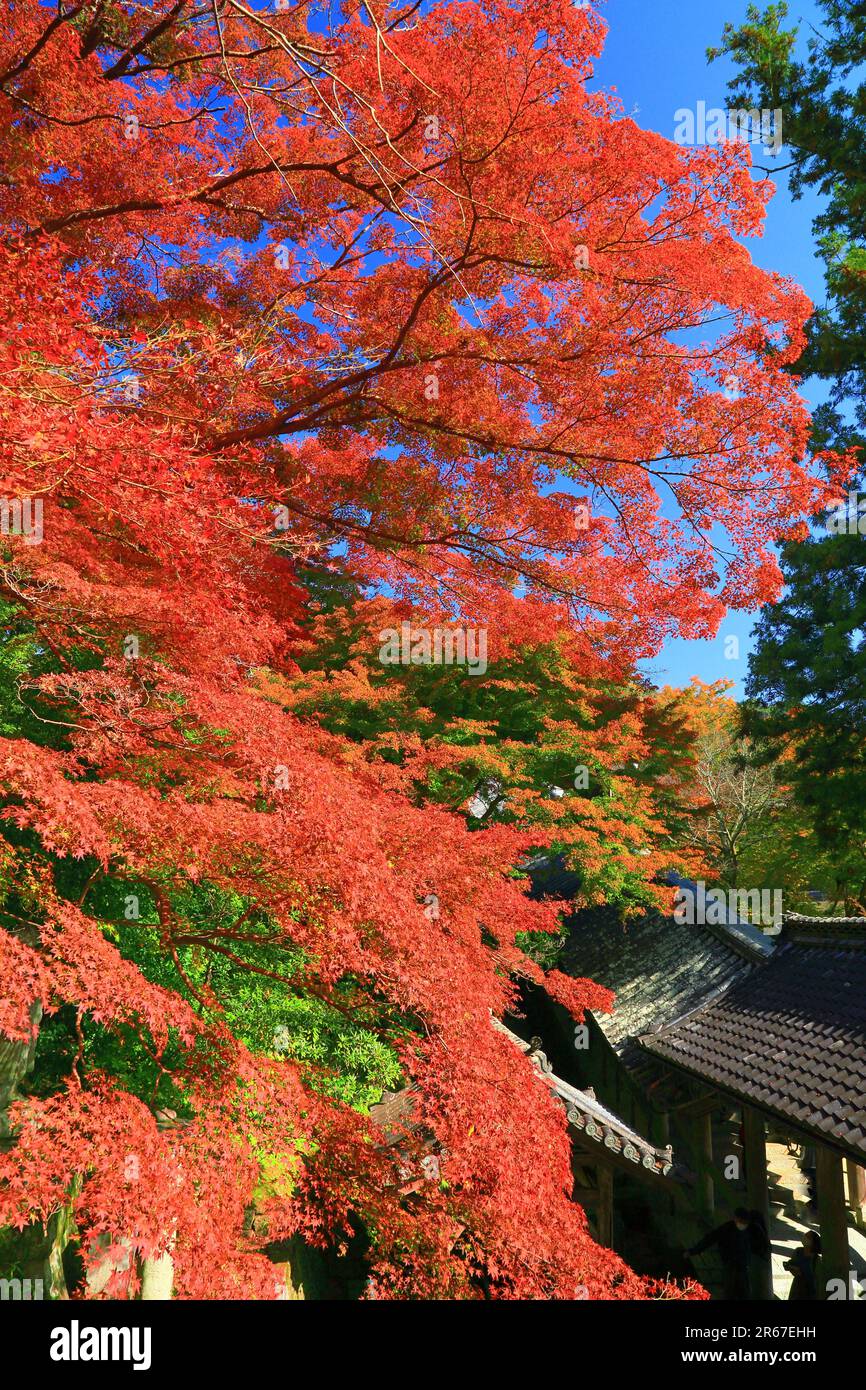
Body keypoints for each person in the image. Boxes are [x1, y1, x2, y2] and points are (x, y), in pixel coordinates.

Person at [686, 1208, 762, 1300]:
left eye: (745, 1222)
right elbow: (709, 1239)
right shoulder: (727, 1229)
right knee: (730, 1292)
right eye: (741, 1220)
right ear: (736, 1219)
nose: (743, 1224)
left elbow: (757, 1243)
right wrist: (693, 1251)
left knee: (744, 1292)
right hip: (730, 1264)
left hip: (743, 1265)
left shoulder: (749, 1230)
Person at [785, 1230, 821, 1301]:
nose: (805, 1237)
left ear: (813, 1242)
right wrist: (791, 1268)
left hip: (810, 1290)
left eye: (808, 1237)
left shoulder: (816, 1259)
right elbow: (791, 1263)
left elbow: (817, 1278)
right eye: (805, 1235)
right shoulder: (798, 1251)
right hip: (797, 1287)